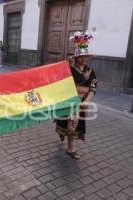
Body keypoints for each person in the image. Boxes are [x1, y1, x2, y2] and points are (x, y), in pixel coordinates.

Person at [55, 32, 97, 160]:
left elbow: (93, 88)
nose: (83, 59)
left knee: (73, 125)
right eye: (80, 56)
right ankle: (70, 149)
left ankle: (70, 147)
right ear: (76, 58)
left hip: (81, 102)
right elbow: (63, 86)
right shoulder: (69, 70)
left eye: (85, 56)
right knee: (70, 125)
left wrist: (87, 101)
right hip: (70, 101)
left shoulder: (91, 71)